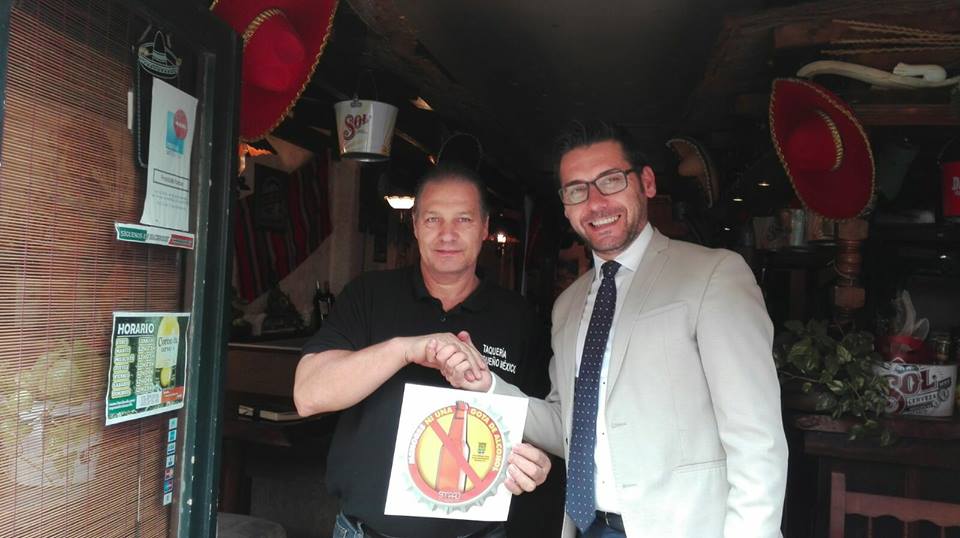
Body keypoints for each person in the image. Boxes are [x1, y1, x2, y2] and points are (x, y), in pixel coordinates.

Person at [438, 121, 789, 538]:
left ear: (646, 182)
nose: (595, 203)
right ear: (565, 206)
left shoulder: (714, 275)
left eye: (610, 181)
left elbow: (756, 440)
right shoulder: (569, 304)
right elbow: (566, 427)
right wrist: (487, 385)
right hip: (587, 527)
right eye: (577, 190)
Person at [293, 164, 555, 538]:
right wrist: (406, 349)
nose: (447, 234)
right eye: (433, 219)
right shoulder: (369, 295)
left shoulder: (519, 317)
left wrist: (538, 462)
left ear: (484, 227)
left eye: (463, 219)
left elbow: (544, 426)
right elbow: (308, 396)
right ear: (415, 225)